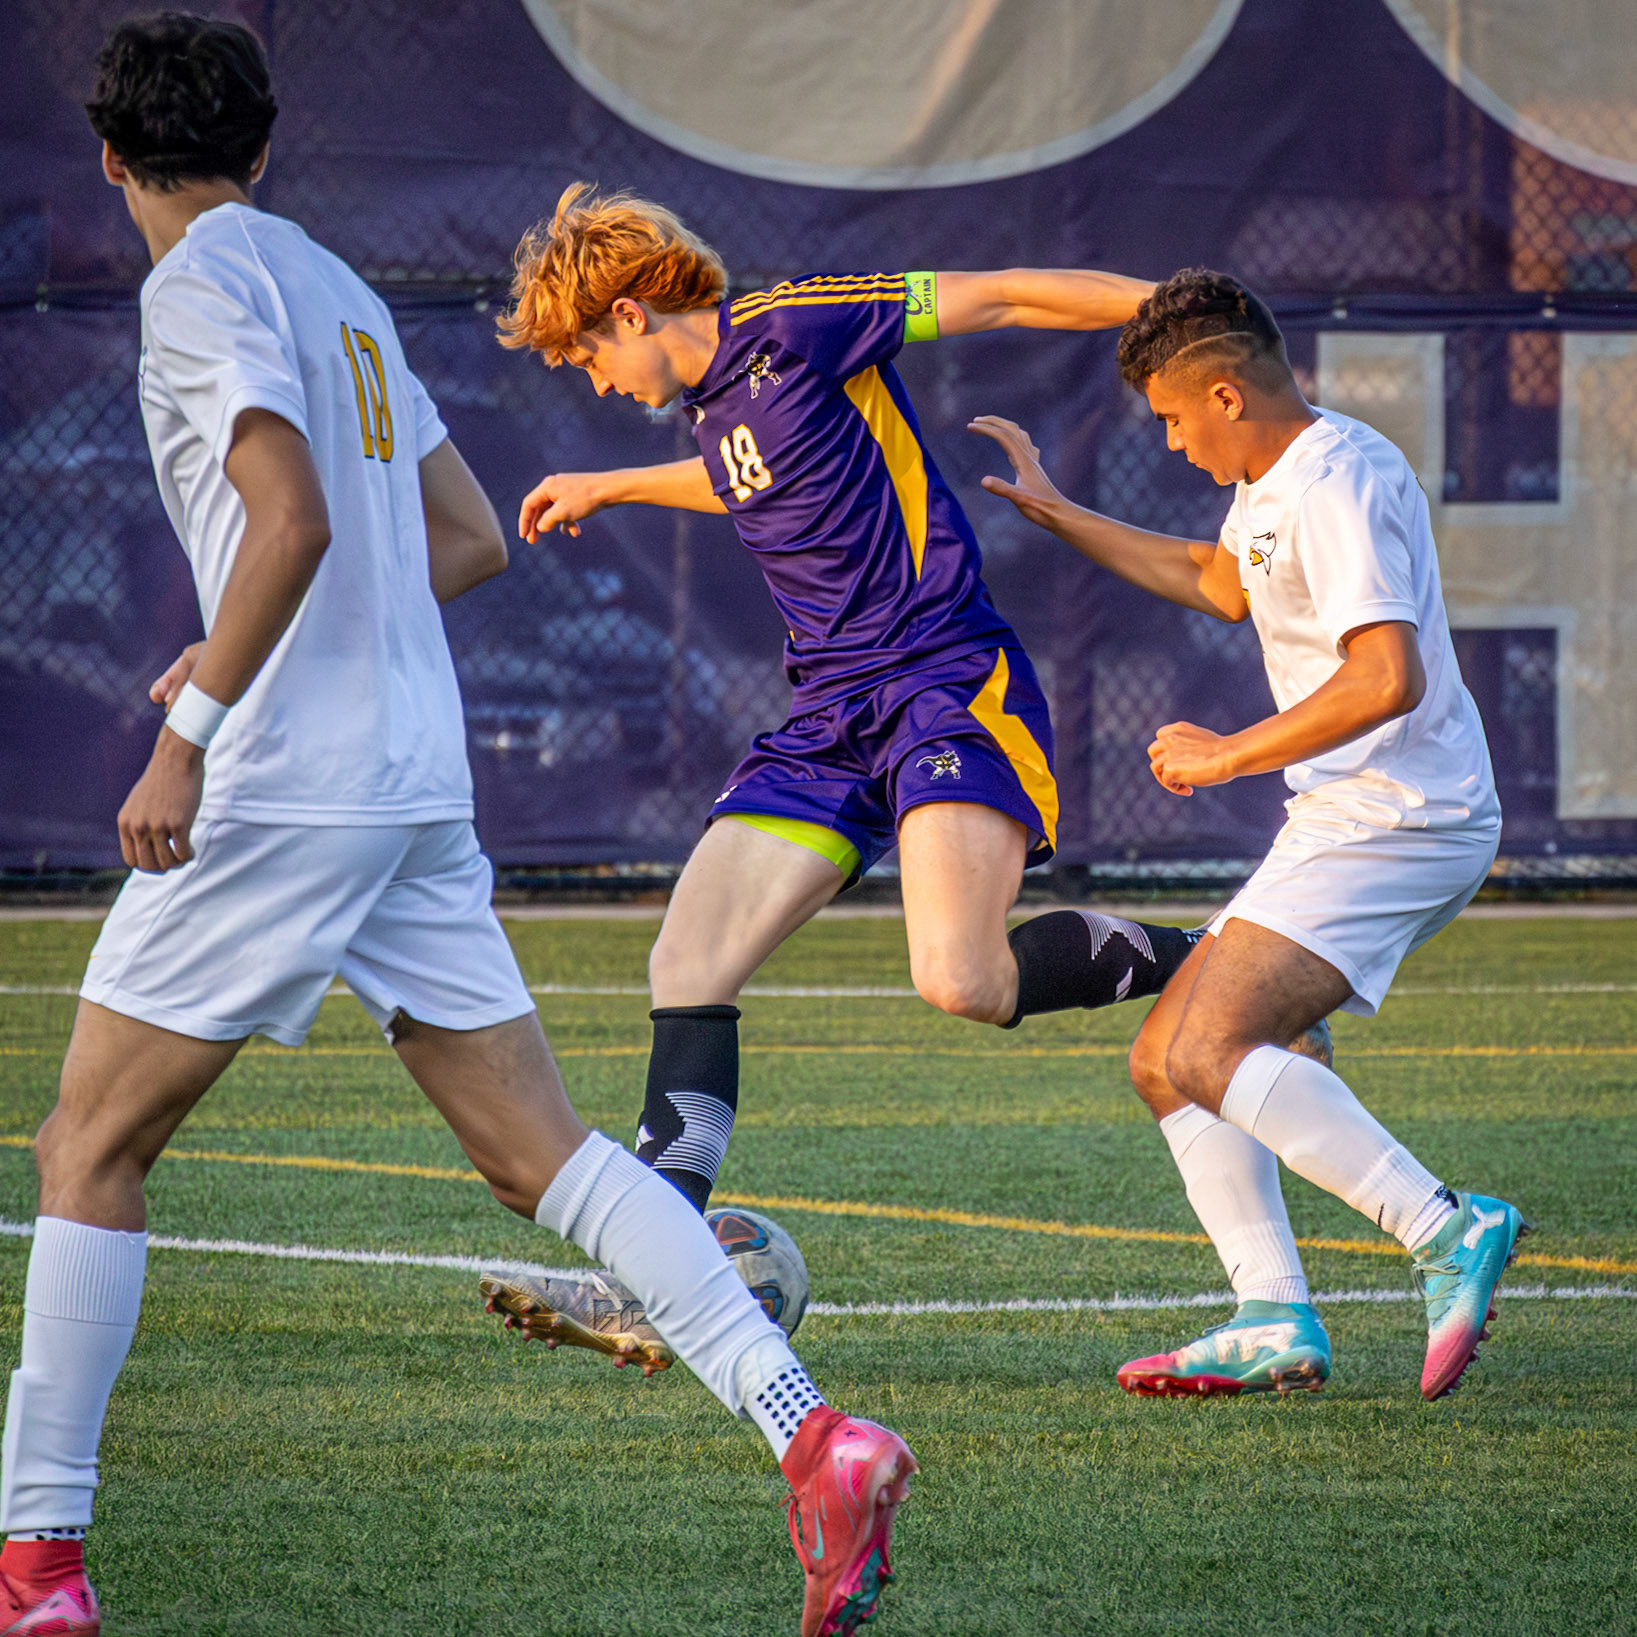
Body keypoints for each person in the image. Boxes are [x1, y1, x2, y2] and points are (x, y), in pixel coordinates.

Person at [0, 20, 912, 1637]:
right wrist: (261, 636)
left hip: (284, 781)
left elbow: (288, 520)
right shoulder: (340, 289)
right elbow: (469, 537)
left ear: (110, 159)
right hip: (411, 776)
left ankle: (38, 1569)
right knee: (539, 1157)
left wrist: (191, 728)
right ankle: (814, 1434)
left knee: (87, 1148)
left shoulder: (196, 286)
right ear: (261, 150)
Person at [479, 186, 1226, 1355]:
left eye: (585, 356)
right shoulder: (714, 410)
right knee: (686, 959)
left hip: (941, 682)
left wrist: (1190, 317)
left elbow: (1004, 295)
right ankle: (659, 1276)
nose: (594, 382)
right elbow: (738, 474)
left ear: (628, 312)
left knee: (961, 978)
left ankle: (1222, 965)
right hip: (827, 718)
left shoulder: (795, 327)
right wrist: (610, 483)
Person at [972, 268, 1526, 1402]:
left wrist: (1226, 753)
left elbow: (1384, 675)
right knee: (1163, 1062)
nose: (1172, 443)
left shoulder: (1335, 479)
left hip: (1400, 817)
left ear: (1225, 394)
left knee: (1208, 1049)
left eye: (1172, 419)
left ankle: (1444, 1225)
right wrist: (1059, 513)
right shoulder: (1272, 477)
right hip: (1349, 815)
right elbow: (1217, 581)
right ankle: (1272, 1312)